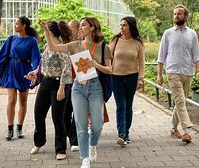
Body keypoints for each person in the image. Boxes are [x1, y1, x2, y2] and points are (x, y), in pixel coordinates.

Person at [41, 17, 112, 168]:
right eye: (79, 25)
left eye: (83, 25)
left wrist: (96, 65)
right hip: (78, 87)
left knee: (97, 125)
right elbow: (53, 47)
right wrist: (47, 31)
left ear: (92, 27)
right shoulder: (75, 45)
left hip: (96, 87)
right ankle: (85, 158)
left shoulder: (104, 46)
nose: (80, 28)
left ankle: (92, 145)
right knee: (80, 125)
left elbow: (111, 69)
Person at [25, 20, 72, 160]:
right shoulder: (47, 45)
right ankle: (38, 142)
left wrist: (62, 88)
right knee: (38, 113)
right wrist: (35, 72)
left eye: (46, 31)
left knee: (58, 118)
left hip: (59, 84)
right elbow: (44, 65)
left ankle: (60, 149)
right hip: (45, 83)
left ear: (50, 32)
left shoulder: (61, 46)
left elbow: (67, 68)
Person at [157, 5, 199, 144]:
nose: (176, 16)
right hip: (173, 72)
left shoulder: (192, 34)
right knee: (181, 101)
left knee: (179, 102)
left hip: (188, 72)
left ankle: (173, 128)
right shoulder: (168, 33)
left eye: (179, 14)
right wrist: (159, 75)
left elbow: (196, 55)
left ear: (186, 16)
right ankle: (187, 131)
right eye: (175, 14)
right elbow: (161, 55)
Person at [0, 16, 41, 141]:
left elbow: (35, 57)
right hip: (10, 69)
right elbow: (3, 54)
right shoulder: (11, 39)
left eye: (17, 23)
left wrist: (34, 72)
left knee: (23, 100)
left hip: (24, 70)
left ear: (24, 25)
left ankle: (19, 127)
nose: (15, 26)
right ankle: (10, 129)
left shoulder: (32, 40)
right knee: (11, 99)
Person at [109, 16, 145, 146]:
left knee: (128, 105)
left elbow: (141, 62)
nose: (121, 27)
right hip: (116, 77)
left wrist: (141, 78)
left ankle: (126, 132)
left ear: (131, 26)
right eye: (120, 25)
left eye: (124, 25)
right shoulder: (115, 40)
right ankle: (121, 134)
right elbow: (108, 57)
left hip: (132, 77)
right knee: (121, 105)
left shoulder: (137, 43)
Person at [65, 19, 80, 152]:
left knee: (77, 112)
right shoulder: (65, 45)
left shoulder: (81, 45)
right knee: (65, 112)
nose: (69, 31)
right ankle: (70, 134)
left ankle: (74, 140)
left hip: (79, 82)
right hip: (66, 82)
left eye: (71, 29)